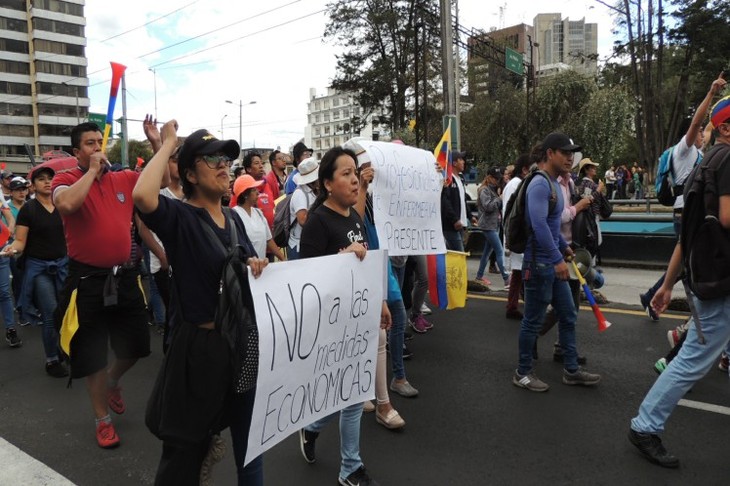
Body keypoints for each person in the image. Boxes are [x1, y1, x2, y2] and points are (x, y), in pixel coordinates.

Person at [134, 123, 268, 485]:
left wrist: (259, 266)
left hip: (241, 346)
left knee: (251, 450)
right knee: (183, 457)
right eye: (211, 159)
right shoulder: (181, 217)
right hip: (198, 355)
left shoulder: (236, 221)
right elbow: (143, 196)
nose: (224, 165)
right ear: (190, 173)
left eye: (226, 158)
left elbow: (262, 275)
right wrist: (167, 146)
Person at [629, 96, 730, 468]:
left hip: (706, 277)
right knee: (692, 360)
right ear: (725, 128)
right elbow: (727, 216)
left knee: (694, 356)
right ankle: (645, 426)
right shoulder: (726, 161)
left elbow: (685, 237)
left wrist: (666, 286)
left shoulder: (700, 170)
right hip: (720, 281)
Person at [52, 122, 163, 449]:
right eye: (89, 143)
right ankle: (102, 420)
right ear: (77, 152)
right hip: (86, 280)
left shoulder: (123, 178)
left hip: (124, 277)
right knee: (92, 355)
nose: (97, 147)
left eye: (100, 141)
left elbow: (164, 181)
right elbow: (67, 205)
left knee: (138, 345)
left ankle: (113, 381)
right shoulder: (66, 180)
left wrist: (158, 144)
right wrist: (91, 173)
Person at [297, 146, 391, 486]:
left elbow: (365, 266)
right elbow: (305, 283)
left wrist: (379, 301)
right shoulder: (318, 222)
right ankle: (350, 468)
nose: (355, 180)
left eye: (356, 172)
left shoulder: (354, 216)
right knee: (348, 396)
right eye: (346, 174)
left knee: (349, 395)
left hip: (358, 320)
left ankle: (312, 428)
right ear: (327, 183)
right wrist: (342, 256)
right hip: (330, 326)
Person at [512, 133, 601, 392]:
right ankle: (523, 372)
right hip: (539, 263)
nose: (570, 157)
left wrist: (565, 248)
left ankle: (571, 370)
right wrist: (556, 258)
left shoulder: (554, 183)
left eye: (572, 153)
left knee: (568, 313)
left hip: (552, 260)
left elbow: (551, 228)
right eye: (565, 152)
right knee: (532, 320)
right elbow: (538, 225)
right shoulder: (540, 184)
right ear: (550, 153)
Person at [639, 75, 727, 320]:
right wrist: (710, 93)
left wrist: (719, 100)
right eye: (699, 132)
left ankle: (656, 296)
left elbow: (710, 126)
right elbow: (698, 122)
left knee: (689, 262)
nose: (703, 135)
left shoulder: (699, 153)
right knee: (689, 264)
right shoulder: (684, 150)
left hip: (691, 212)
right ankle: (664, 300)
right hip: (684, 213)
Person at [1, 166, 68, 376]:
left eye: (50, 178)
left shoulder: (63, 205)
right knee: (50, 313)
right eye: (41, 179)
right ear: (33, 184)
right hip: (39, 269)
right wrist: (12, 248)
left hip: (64, 267)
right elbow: (20, 241)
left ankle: (63, 347)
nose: (47, 182)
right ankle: (52, 360)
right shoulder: (28, 209)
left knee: (65, 312)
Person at [502, 153, 532, 320]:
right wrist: (509, 238)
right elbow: (510, 214)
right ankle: (519, 305)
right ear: (525, 169)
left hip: (515, 236)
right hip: (517, 236)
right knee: (522, 272)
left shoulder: (516, 184)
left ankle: (512, 305)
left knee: (518, 273)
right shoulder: (517, 185)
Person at [232, 174, 286, 261]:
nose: (258, 192)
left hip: (261, 268)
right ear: (245, 194)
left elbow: (269, 240)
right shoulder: (234, 215)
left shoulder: (258, 213)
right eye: (253, 190)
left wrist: (283, 258)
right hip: (246, 270)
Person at [475, 166, 509, 289]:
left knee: (487, 252)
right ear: (489, 177)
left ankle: (479, 276)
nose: (496, 180)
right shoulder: (484, 190)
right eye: (494, 178)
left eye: (497, 178)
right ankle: (506, 279)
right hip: (488, 225)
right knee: (499, 251)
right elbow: (488, 206)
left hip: (493, 224)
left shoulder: (492, 189)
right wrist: (499, 200)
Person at [287, 157, 319, 260]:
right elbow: (302, 220)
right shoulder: (300, 193)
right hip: (298, 245)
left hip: (309, 242)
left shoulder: (313, 191)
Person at [440, 150, 468, 252]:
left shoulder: (460, 179)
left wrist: (470, 215)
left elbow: (462, 199)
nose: (463, 162)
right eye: (461, 159)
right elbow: (445, 201)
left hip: (460, 224)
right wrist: (454, 219)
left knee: (458, 254)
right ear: (454, 163)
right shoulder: (448, 180)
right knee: (459, 253)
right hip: (451, 226)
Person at [239, 152, 275, 229]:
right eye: (256, 163)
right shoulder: (242, 188)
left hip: (270, 234)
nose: (261, 166)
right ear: (248, 169)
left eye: (261, 163)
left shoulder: (267, 184)